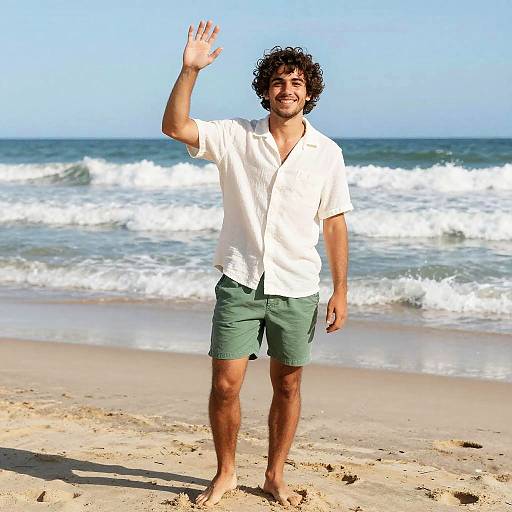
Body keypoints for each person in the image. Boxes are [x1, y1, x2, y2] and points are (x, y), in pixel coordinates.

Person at [162, 19, 353, 508]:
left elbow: (334, 224)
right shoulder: (235, 137)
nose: (287, 89)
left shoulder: (326, 153)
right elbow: (174, 126)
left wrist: (341, 291)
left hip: (297, 285)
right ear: (265, 91)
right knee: (225, 385)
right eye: (278, 82)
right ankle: (225, 472)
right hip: (240, 278)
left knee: (287, 385)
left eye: (296, 83)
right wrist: (190, 71)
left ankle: (273, 475)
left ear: (308, 94)